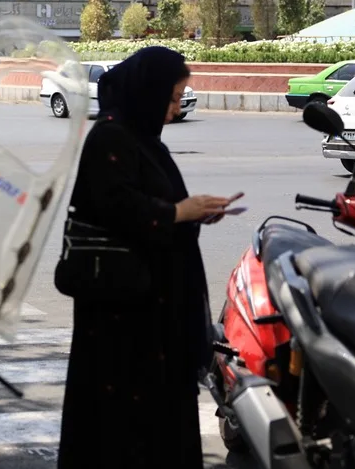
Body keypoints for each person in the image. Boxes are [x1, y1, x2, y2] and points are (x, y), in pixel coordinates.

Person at [57, 46, 233, 469]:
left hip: (156, 317)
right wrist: (177, 212)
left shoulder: (143, 140)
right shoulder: (110, 137)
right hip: (122, 321)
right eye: (172, 98)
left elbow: (156, 205)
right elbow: (115, 206)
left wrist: (194, 213)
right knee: (120, 433)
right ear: (148, 91)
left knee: (161, 426)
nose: (174, 109)